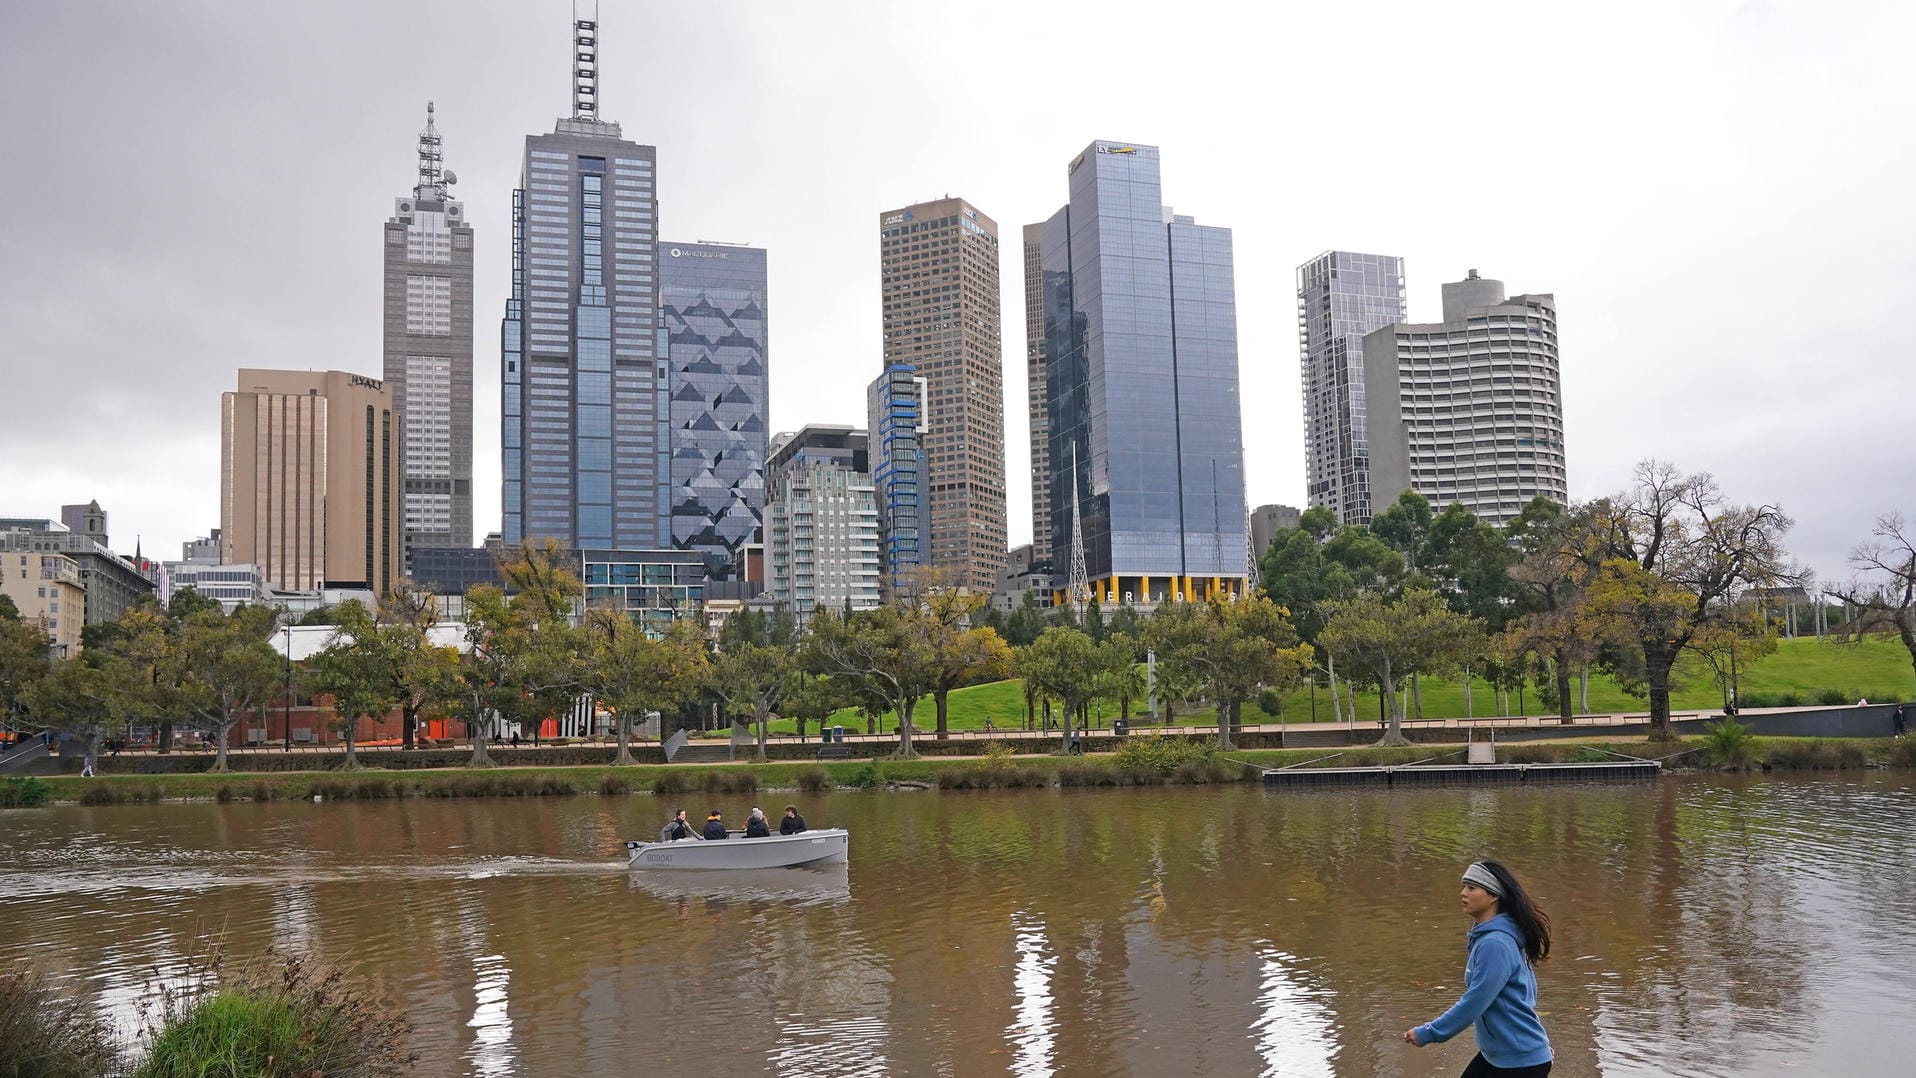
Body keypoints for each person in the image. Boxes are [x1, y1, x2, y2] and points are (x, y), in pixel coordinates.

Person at [1404, 860, 1554, 1077]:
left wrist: (1430, 1033)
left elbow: (1474, 1002)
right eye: (1464, 886)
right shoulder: (1491, 937)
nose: (1463, 893)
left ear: (1493, 895)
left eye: (1471, 887)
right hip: (1502, 1057)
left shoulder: (1496, 944)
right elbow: (1522, 996)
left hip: (1518, 1063)